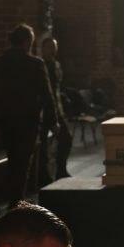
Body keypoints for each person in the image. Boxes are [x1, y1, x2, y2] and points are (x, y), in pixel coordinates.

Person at [0, 23, 58, 204]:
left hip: (5, 121)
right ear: (27, 42)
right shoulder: (35, 64)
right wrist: (53, 121)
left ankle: (14, 200)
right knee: (23, 163)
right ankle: (16, 201)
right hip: (28, 121)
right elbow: (47, 96)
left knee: (13, 159)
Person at [38, 36, 73, 185]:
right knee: (42, 145)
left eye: (54, 47)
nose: (52, 50)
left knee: (66, 139)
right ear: (43, 49)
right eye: (49, 47)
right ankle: (43, 176)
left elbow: (57, 88)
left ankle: (61, 169)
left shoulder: (57, 65)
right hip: (43, 111)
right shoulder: (40, 65)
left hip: (57, 109)